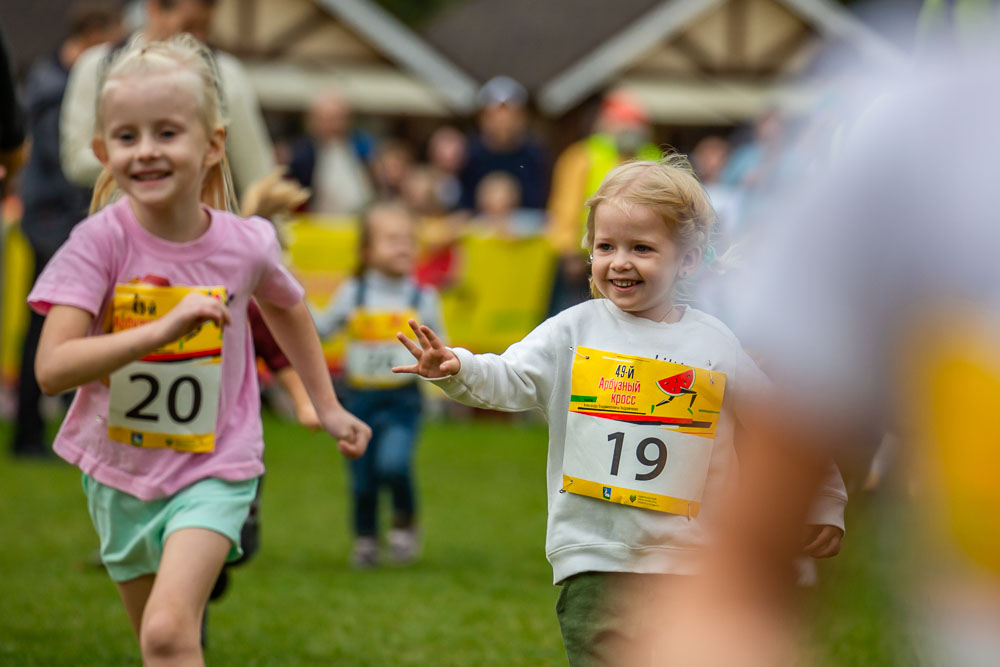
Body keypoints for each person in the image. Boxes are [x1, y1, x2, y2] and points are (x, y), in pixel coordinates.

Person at [392, 156, 846, 664]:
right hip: (594, 561)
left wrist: (824, 498)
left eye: (642, 248)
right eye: (605, 246)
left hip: (692, 565)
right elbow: (512, 377)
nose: (620, 262)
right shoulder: (573, 330)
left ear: (688, 261)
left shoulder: (713, 343)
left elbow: (776, 425)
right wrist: (458, 365)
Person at [28, 36, 370, 664]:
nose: (147, 151)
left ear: (213, 145)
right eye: (127, 137)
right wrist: (158, 333)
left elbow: (288, 307)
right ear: (103, 150)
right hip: (118, 470)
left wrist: (326, 404)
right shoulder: (97, 243)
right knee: (158, 642)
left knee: (167, 631)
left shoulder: (246, 244)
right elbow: (51, 368)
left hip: (217, 464)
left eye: (166, 132)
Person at [12, 2, 123, 459]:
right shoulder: (56, 86)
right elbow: (62, 161)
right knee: (45, 328)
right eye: (114, 37)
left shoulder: (51, 75)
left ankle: (47, 430)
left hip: (58, 218)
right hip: (51, 222)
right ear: (95, 33)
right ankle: (28, 434)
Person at [312, 201, 445, 568]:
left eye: (408, 239)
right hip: (359, 402)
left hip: (403, 403)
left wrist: (443, 380)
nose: (403, 246)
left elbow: (443, 349)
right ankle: (366, 538)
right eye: (391, 239)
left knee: (394, 465)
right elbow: (321, 330)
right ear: (366, 251)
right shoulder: (353, 294)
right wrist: (292, 295)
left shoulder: (423, 298)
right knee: (362, 479)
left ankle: (404, 521)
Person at [60, 0, 274, 198]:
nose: (198, 40)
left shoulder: (227, 74)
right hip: (118, 230)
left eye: (204, 29)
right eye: (189, 27)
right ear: (154, 9)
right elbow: (77, 162)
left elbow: (256, 172)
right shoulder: (96, 66)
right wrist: (154, 161)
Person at [546, 91, 662, 315]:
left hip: (636, 254)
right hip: (585, 256)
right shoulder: (583, 155)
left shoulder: (653, 156)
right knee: (578, 315)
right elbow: (565, 206)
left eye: (636, 123)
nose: (632, 129)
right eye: (625, 122)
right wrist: (568, 250)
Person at [459, 76, 549, 211]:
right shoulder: (467, 155)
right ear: (482, 118)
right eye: (495, 115)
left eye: (510, 115)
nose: (503, 122)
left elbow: (539, 204)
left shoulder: (534, 156)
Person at [287, 91, 374, 215]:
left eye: (340, 118)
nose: (335, 125)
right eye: (330, 119)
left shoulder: (359, 146)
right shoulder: (302, 154)